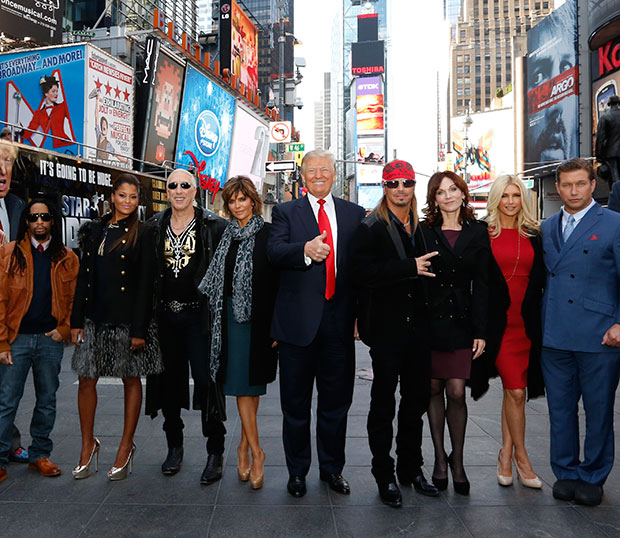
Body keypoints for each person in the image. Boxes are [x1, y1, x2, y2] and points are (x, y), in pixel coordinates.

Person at [268, 149, 365, 498]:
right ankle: (297, 472)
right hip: (297, 328)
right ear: (303, 177)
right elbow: (273, 252)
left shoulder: (355, 215)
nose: (319, 175)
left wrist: (360, 316)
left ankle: (332, 469)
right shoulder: (285, 212)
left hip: (339, 325)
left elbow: (362, 270)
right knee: (294, 405)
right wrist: (305, 251)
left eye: (325, 169)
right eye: (312, 170)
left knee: (336, 404)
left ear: (335, 173)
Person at [351, 160, 439, 508]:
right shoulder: (370, 227)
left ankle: (411, 469)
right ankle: (383, 474)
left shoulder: (423, 226)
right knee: (383, 405)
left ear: (413, 187)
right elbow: (361, 274)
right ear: (384, 188)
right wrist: (408, 268)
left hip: (420, 330)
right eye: (393, 183)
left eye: (406, 183)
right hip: (386, 331)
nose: (400, 189)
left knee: (415, 403)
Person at [70, 174, 162, 481]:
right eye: (122, 195)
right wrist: (75, 321)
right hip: (94, 317)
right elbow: (84, 277)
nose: (127, 201)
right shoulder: (94, 230)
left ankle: (126, 446)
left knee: (130, 378)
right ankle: (87, 445)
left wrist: (139, 329)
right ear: (112, 197)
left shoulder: (145, 233)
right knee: (86, 379)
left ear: (138, 200)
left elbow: (147, 283)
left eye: (133, 197)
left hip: (127, 318)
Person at [540, 158, 620, 506]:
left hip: (599, 334)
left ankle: (593, 475)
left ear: (592, 185)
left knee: (599, 409)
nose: (573, 191)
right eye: (566, 185)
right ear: (558, 188)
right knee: (559, 410)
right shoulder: (546, 227)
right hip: (554, 334)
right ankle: (566, 471)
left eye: (580, 184)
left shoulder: (614, 224)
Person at [145, 169, 228, 485]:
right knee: (168, 384)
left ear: (196, 191)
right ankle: (174, 447)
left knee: (208, 385)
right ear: (167, 191)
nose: (178, 190)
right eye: (173, 185)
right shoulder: (153, 226)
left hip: (200, 319)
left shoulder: (214, 226)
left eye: (185, 185)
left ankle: (215, 451)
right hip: (165, 318)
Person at [199, 175, 278, 490]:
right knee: (241, 386)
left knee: (250, 387)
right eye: (232, 201)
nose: (237, 205)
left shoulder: (270, 234)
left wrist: (277, 325)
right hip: (229, 320)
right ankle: (250, 448)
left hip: (258, 320)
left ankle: (252, 449)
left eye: (242, 199)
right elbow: (215, 278)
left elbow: (277, 284)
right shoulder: (224, 235)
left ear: (253, 201)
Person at [420, 171, 490, 496]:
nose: (447, 196)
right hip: (429, 321)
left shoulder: (478, 231)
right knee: (433, 388)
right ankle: (438, 459)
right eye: (440, 192)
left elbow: (483, 285)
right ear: (433, 199)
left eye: (452, 190)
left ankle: (458, 460)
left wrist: (481, 330)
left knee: (457, 392)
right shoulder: (423, 230)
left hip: (462, 322)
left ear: (463, 193)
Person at [0, 199, 79, 483]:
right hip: (16, 339)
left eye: (45, 216)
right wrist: (2, 344)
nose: (39, 222)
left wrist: (65, 328)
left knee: (47, 400)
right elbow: (0, 301)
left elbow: (73, 301)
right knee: (7, 401)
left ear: (53, 220)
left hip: (50, 340)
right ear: (26, 221)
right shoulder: (8, 254)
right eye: (34, 217)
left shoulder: (68, 257)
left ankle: (40, 455)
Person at [484, 175, 545, 489]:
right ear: (496, 198)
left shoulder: (535, 234)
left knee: (514, 393)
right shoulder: (485, 233)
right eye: (504, 195)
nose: (510, 201)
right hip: (499, 324)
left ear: (524, 199)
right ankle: (522, 456)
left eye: (516, 195)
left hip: (526, 324)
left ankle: (505, 453)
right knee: (517, 391)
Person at [0, 140, 29, 464]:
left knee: (9, 386)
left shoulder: (18, 207)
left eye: (7, 162)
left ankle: (9, 442)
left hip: (10, 310)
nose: (2, 170)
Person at [22, 75, 73, 149]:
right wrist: (20, 131)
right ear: (46, 93)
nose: (56, 94)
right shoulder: (38, 114)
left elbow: (73, 118)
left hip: (65, 144)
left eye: (57, 91)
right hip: (49, 147)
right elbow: (29, 132)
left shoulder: (62, 107)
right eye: (53, 91)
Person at [596, 94, 620, 186]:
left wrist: (599, 156)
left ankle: (617, 197)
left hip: (611, 153)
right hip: (613, 153)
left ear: (609, 104)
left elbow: (600, 138)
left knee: (614, 179)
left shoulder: (605, 117)